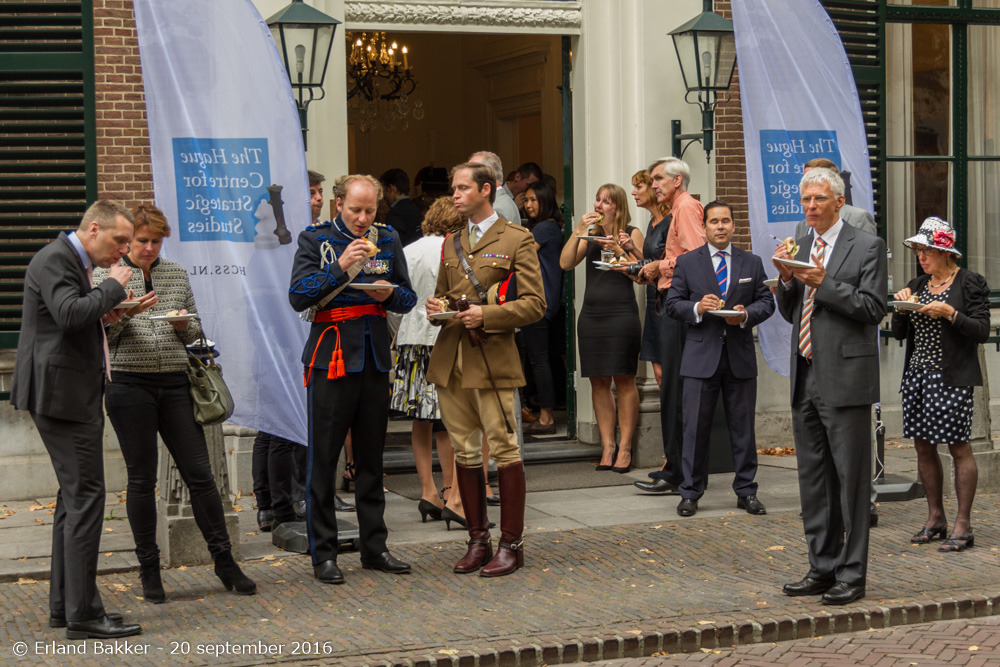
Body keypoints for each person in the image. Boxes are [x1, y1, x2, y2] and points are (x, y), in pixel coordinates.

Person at [97, 203, 257, 602]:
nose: (149, 248)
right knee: (141, 478)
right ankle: (149, 569)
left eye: (156, 242)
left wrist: (184, 324)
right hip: (128, 383)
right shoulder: (106, 276)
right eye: (142, 241)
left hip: (174, 381)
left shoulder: (175, 273)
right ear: (128, 241)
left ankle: (224, 561)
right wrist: (122, 315)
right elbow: (99, 339)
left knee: (200, 474)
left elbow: (196, 332)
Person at [11, 199, 143, 639]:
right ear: (93, 229)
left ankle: (66, 606)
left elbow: (66, 321)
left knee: (73, 501)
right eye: (119, 240)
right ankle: (83, 615)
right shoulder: (57, 259)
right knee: (86, 498)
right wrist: (113, 290)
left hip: (67, 393)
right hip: (62, 397)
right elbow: (68, 315)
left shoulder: (69, 260)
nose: (123, 251)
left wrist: (107, 314)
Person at [289, 174, 417, 584]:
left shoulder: (388, 238)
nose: (363, 219)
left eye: (370, 210)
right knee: (324, 459)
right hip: (331, 357)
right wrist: (340, 266)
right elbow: (298, 295)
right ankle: (324, 553)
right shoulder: (315, 240)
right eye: (355, 210)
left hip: (375, 358)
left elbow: (408, 297)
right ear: (338, 204)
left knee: (371, 460)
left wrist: (388, 295)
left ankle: (375, 547)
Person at [426, 161, 545, 577]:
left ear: (486, 190)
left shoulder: (516, 239)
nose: (455, 195)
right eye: (453, 188)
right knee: (464, 450)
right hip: (451, 359)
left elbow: (535, 304)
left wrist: (487, 314)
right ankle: (478, 540)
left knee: (505, 449)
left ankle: (512, 544)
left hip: (492, 359)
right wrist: (437, 308)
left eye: (463, 188)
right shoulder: (451, 243)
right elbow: (444, 295)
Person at [773, 167, 887, 606]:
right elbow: (793, 312)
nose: (810, 207)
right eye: (805, 200)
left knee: (851, 481)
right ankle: (821, 567)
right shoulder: (801, 244)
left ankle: (852, 574)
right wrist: (786, 279)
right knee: (814, 479)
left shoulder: (866, 246)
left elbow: (873, 308)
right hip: (805, 374)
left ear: (839, 201)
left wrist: (826, 284)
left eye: (818, 199)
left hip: (846, 378)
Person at [254, 170, 353, 534]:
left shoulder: (315, 236)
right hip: (279, 341)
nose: (318, 198)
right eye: (311, 192)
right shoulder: (280, 240)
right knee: (281, 427)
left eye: (320, 191)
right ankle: (282, 503)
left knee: (281, 427)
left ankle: (283, 501)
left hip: (299, 336)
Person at [664, 201, 775, 516]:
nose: (720, 226)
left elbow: (766, 302)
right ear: (705, 227)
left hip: (739, 356)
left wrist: (745, 314)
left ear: (734, 226)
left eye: (726, 220)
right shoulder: (688, 262)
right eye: (714, 221)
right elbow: (673, 304)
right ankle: (690, 493)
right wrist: (698, 307)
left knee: (744, 429)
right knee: (695, 430)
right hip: (700, 358)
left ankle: (746, 491)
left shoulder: (751, 262)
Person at [891, 217, 990, 553]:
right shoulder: (917, 284)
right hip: (917, 377)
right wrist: (901, 307)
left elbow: (981, 331)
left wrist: (950, 313)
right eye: (918, 251)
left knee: (958, 447)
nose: (921, 257)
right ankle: (935, 517)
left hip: (951, 378)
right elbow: (900, 333)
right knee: (923, 447)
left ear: (946, 252)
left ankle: (963, 524)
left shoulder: (969, 282)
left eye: (927, 250)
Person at [390, 197, 465, 524]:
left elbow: (395, 302)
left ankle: (427, 492)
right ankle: (450, 491)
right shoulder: (454, 249)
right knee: (449, 418)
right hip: (442, 337)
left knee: (420, 419)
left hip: (411, 339)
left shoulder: (409, 250)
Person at [633, 158, 706, 493]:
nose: (653, 185)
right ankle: (676, 467)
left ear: (678, 180)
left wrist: (660, 266)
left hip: (679, 306)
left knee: (675, 391)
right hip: (673, 302)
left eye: (658, 178)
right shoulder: (679, 209)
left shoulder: (686, 208)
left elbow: (697, 255)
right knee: (673, 391)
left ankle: (678, 471)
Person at [560, 184, 643, 472]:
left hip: (622, 314)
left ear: (617, 207)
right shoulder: (590, 236)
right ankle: (607, 446)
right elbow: (565, 263)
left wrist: (618, 249)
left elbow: (642, 272)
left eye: (606, 201)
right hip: (592, 315)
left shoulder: (631, 233)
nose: (599, 205)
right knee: (598, 381)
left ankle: (625, 447)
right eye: (597, 200)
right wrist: (578, 229)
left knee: (625, 379)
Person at [618, 169, 671, 387]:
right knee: (658, 373)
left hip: (668, 300)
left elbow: (668, 263)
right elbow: (651, 261)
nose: (633, 192)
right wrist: (632, 249)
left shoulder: (671, 221)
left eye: (638, 187)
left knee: (669, 373)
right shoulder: (652, 222)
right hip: (653, 300)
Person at [521, 180, 564, 434]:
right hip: (548, 302)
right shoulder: (551, 226)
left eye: (533, 200)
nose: (528, 205)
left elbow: (522, 256)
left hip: (538, 302)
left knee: (539, 361)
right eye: (526, 200)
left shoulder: (544, 228)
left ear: (545, 201)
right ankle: (546, 414)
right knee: (542, 359)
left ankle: (546, 418)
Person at [793, 159, 876, 239]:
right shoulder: (802, 226)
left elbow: (867, 246)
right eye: (805, 178)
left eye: (816, 177)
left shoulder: (859, 218)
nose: (809, 182)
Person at [469, 150, 521, 226]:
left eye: (471, 174)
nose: (467, 179)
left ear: (487, 174)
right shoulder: (500, 201)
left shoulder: (496, 209)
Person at [380, 168, 423, 246]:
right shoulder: (416, 209)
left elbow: (393, 247)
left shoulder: (395, 214)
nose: (383, 196)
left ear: (391, 188)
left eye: (384, 191)